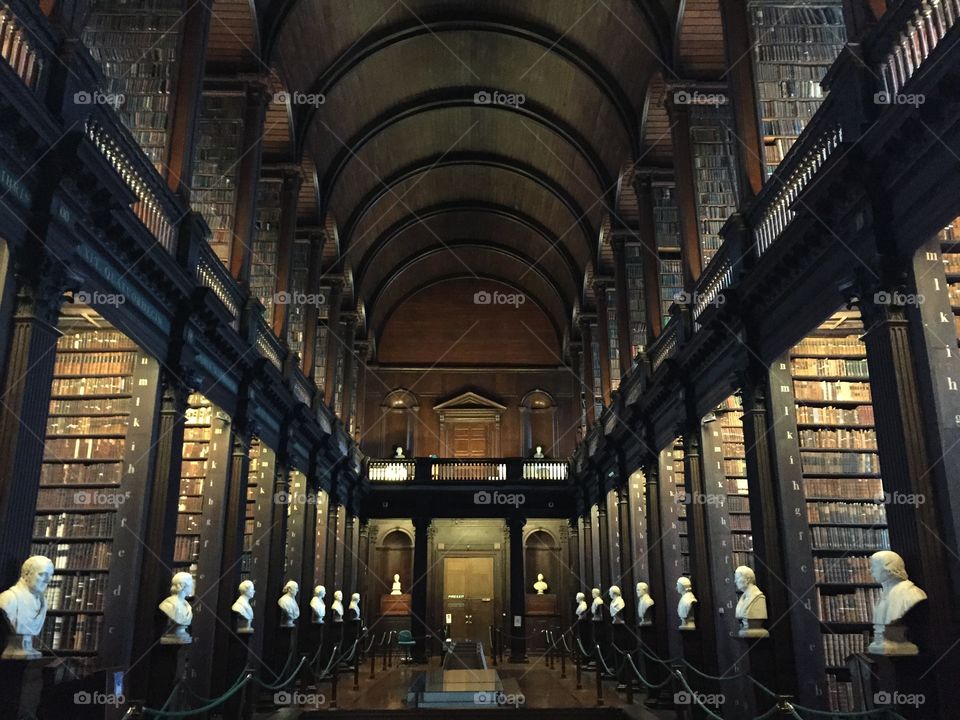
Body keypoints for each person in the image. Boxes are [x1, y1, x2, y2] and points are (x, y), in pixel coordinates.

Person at [868, 550, 927, 655]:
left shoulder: (911, 594)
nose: (871, 571)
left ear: (889, 569)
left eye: (874, 566)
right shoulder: (884, 595)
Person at [0, 555, 54, 658]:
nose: (48, 580)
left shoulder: (43, 602)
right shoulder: (8, 599)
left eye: (51, 575)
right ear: (26, 574)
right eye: (42, 574)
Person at [159, 571, 195, 644]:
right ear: (183, 585)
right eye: (191, 584)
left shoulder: (187, 605)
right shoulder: (168, 604)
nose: (193, 586)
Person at [734, 566, 768, 638]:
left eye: (737, 578)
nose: (735, 581)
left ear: (747, 579)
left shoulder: (758, 598)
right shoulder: (743, 598)